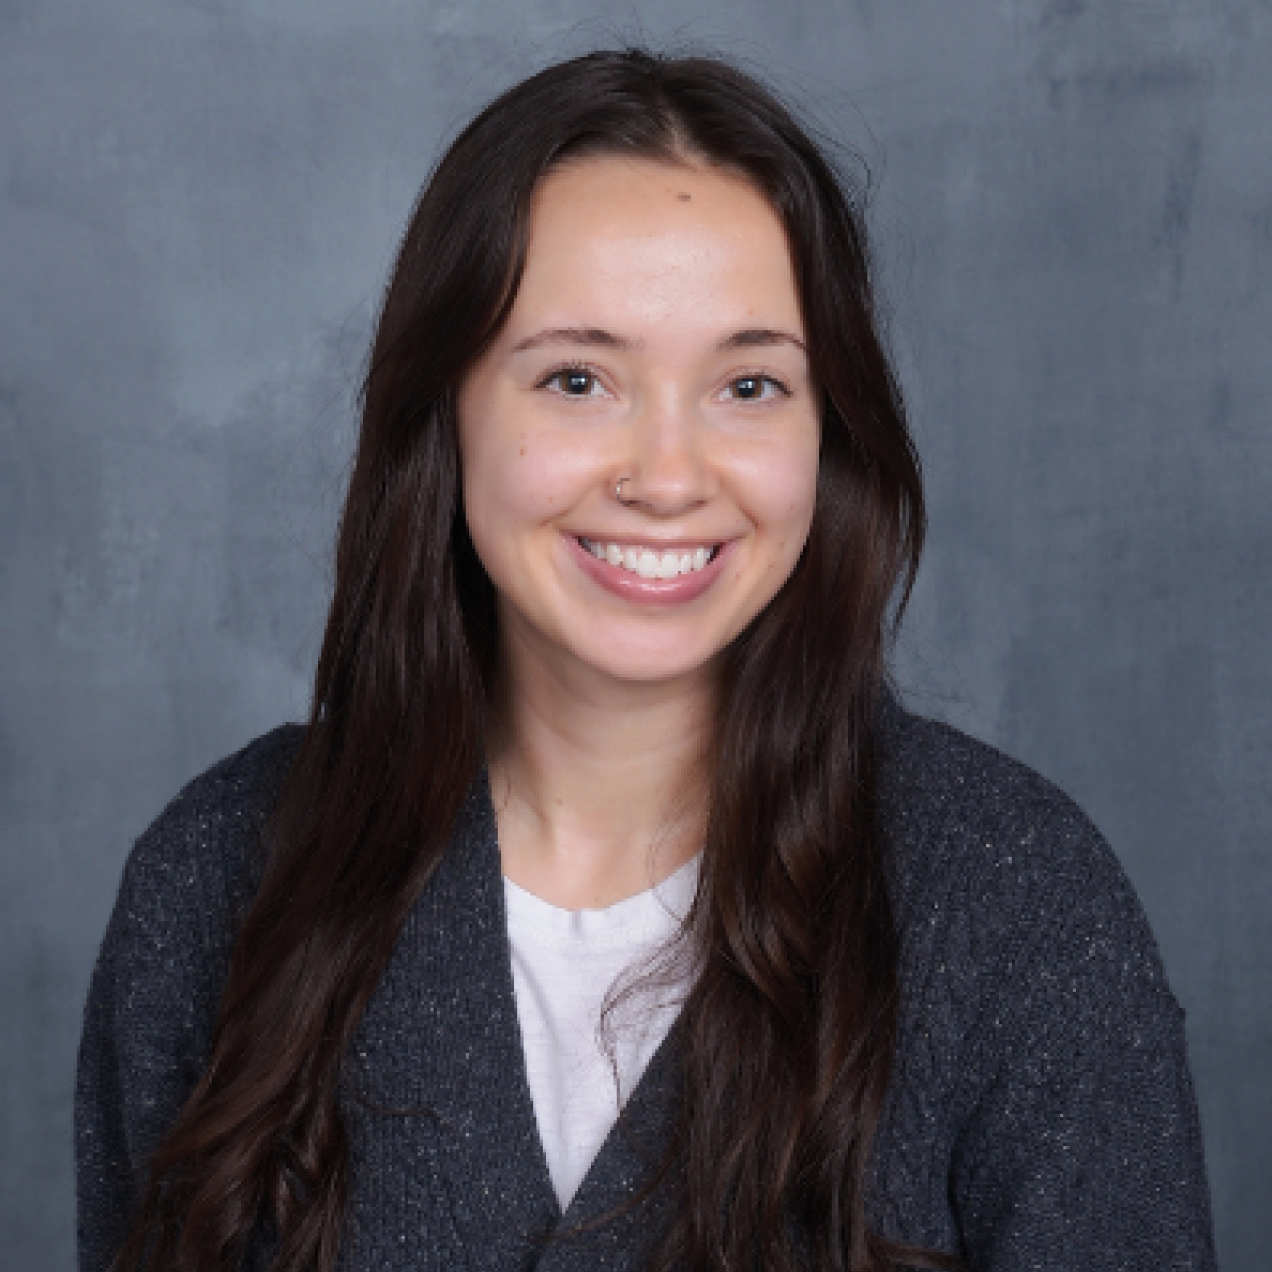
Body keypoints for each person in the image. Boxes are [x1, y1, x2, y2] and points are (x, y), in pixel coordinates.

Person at [75, 46, 1219, 1272]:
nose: (668, 478)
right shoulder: (217, 880)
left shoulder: (1016, 904)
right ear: (445, 411)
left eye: (749, 383)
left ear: (827, 434)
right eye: (578, 379)